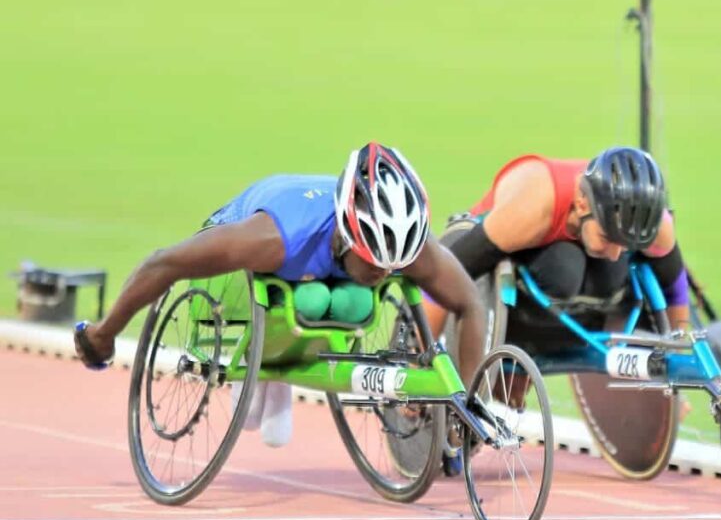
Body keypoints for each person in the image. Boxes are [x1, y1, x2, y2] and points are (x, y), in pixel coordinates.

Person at [73, 142, 486, 446]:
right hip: (264, 243)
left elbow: (469, 304)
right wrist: (103, 334)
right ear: (347, 235)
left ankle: (285, 355)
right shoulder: (271, 238)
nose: (385, 273)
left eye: (395, 265)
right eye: (375, 263)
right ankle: (265, 352)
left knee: (338, 301)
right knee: (303, 300)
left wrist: (463, 409)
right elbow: (163, 263)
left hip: (317, 271)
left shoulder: (408, 247)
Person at [423, 147, 692, 474]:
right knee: (565, 266)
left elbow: (674, 290)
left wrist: (680, 369)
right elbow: (445, 277)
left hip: (580, 316)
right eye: (609, 237)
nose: (616, 251)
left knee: (613, 270)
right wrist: (421, 355)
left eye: (627, 244)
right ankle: (514, 357)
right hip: (512, 304)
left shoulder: (650, 224)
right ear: (581, 204)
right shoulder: (532, 205)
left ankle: (544, 341)